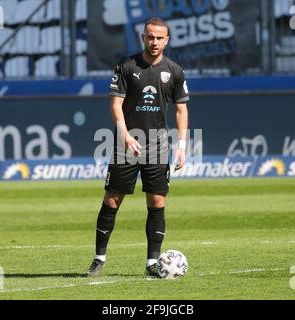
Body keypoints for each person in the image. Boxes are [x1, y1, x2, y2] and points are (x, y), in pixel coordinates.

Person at [85, 17, 189, 277]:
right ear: (143, 37)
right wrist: (125, 136)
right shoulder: (127, 65)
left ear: (167, 40)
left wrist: (181, 146)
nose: (154, 42)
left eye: (159, 37)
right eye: (150, 37)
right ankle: (99, 259)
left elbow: (181, 109)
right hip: (125, 146)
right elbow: (115, 104)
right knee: (111, 199)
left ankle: (152, 264)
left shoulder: (174, 70)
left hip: (157, 146)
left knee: (157, 201)